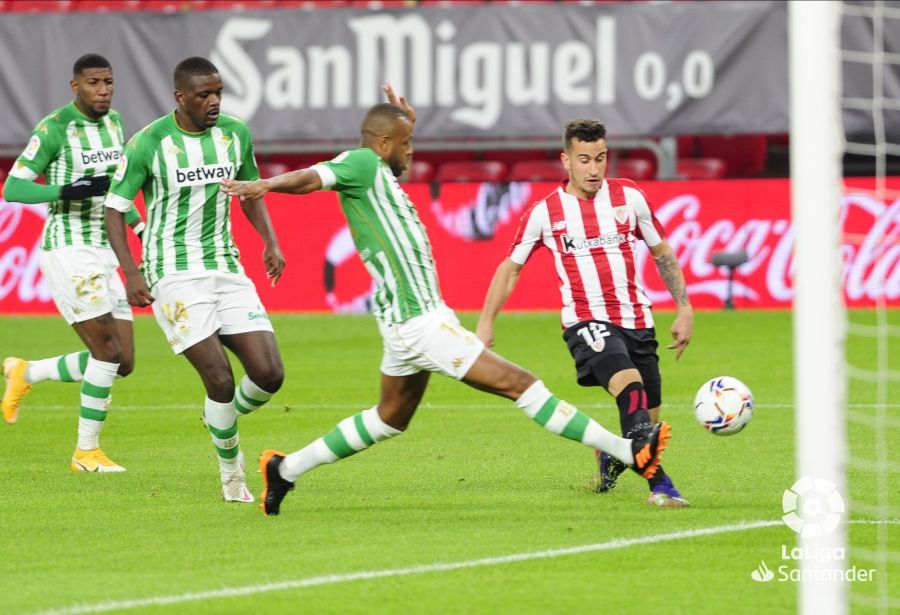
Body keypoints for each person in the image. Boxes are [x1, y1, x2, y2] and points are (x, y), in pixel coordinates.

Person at [221, 85, 671, 516]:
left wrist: (405, 123)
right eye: (406, 143)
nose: (412, 151)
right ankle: (628, 450)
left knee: (389, 418)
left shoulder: (379, 170)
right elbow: (312, 177)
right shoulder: (360, 162)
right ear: (382, 143)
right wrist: (266, 185)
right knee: (522, 385)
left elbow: (383, 151)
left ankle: (284, 469)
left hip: (406, 322)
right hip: (420, 322)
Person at [476, 119, 693, 508]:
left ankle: (611, 458)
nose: (594, 169)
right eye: (584, 160)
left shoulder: (630, 198)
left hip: (638, 321)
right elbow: (510, 268)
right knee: (631, 389)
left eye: (600, 158)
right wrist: (486, 322)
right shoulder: (545, 213)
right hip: (587, 322)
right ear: (566, 161)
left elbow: (662, 254)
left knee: (646, 425)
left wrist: (683, 307)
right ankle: (662, 487)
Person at [104, 56, 285, 502]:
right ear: (180, 97)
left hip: (226, 266)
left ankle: (218, 416)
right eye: (204, 94)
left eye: (219, 92)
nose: (214, 101)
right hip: (174, 273)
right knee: (220, 380)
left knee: (269, 374)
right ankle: (233, 477)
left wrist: (270, 241)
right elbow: (113, 208)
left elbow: (249, 192)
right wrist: (130, 271)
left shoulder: (235, 135)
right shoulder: (148, 142)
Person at [1, 53, 145, 473]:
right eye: (94, 83)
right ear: (75, 86)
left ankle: (26, 371)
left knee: (123, 361)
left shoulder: (116, 124)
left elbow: (116, 190)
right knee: (106, 350)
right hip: (69, 249)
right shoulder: (53, 129)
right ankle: (86, 452)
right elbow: (13, 188)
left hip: (106, 248)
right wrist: (65, 191)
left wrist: (139, 228)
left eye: (109, 82)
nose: (103, 90)